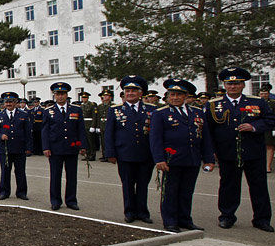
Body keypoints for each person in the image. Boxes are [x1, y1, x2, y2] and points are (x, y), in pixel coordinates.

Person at [204, 67, 274, 232]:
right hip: (227, 152)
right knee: (229, 186)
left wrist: (254, 126)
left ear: (243, 85)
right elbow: (209, 131)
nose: (233, 87)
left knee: (259, 186)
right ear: (225, 85)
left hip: (253, 152)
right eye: (229, 84)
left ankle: (261, 219)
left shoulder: (257, 102)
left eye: (236, 83)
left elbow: (271, 120)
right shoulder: (214, 105)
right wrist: (211, 151)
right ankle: (227, 216)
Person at [150, 79, 215, 232]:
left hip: (191, 158)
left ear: (186, 96)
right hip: (172, 160)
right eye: (172, 94)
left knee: (187, 191)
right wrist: (159, 159)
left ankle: (185, 219)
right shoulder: (160, 113)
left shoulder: (197, 112)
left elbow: (205, 138)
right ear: (167, 96)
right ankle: (170, 221)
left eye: (179, 95)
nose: (175, 98)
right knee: (170, 192)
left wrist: (209, 159)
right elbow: (155, 139)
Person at [103, 76, 155, 223]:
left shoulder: (152, 109)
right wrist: (110, 153)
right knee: (127, 185)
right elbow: (109, 133)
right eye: (127, 90)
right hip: (124, 154)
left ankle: (143, 212)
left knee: (143, 184)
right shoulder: (115, 110)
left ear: (141, 93)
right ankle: (130, 211)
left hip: (145, 154)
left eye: (134, 90)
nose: (130, 93)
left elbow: (155, 134)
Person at [41, 82, 88, 210]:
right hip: (55, 149)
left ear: (67, 95)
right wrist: (46, 147)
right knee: (55, 176)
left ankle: (71, 200)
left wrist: (82, 145)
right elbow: (45, 131)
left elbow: (81, 129)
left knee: (72, 176)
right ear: (54, 96)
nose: (60, 97)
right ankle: (55, 201)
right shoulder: (48, 111)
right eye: (58, 94)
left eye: (63, 94)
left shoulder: (76, 110)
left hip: (71, 148)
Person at [0, 91, 32, 200]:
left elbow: (28, 133)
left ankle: (21, 192)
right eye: (6, 102)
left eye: (11, 102)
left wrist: (28, 148)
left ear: (15, 102)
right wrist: (0, 136)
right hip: (5, 148)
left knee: (20, 171)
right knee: (5, 171)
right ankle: (4, 192)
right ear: (4, 103)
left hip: (19, 148)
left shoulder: (23, 115)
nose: (8, 104)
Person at [94, 90, 114, 161]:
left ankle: (110, 155)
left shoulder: (113, 106)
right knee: (103, 141)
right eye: (104, 96)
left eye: (107, 96)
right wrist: (98, 126)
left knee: (110, 141)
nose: (105, 97)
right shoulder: (100, 106)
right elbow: (98, 117)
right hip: (102, 125)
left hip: (109, 125)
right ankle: (104, 155)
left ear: (110, 97)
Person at [79, 91, 99, 161]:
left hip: (89, 124)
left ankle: (92, 155)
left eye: (85, 97)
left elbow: (94, 116)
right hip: (83, 125)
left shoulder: (91, 105)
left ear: (87, 98)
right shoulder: (81, 106)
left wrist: (93, 126)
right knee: (86, 141)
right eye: (83, 97)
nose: (84, 99)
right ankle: (87, 154)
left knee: (91, 141)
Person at [260, 83, 274, 173]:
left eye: (265, 93)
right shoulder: (254, 103)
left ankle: (268, 166)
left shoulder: (273, 103)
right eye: (262, 93)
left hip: (269, 127)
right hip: (258, 127)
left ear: (268, 94)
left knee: (269, 146)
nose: (264, 95)